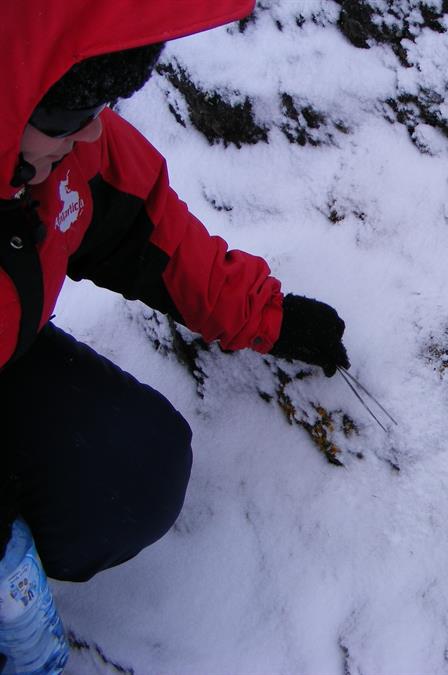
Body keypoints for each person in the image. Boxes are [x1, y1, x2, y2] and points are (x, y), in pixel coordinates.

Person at [0, 0, 348, 632]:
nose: (91, 133)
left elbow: (148, 230)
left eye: (98, 107)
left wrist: (269, 318)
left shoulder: (62, 159)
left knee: (131, 474)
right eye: (72, 113)